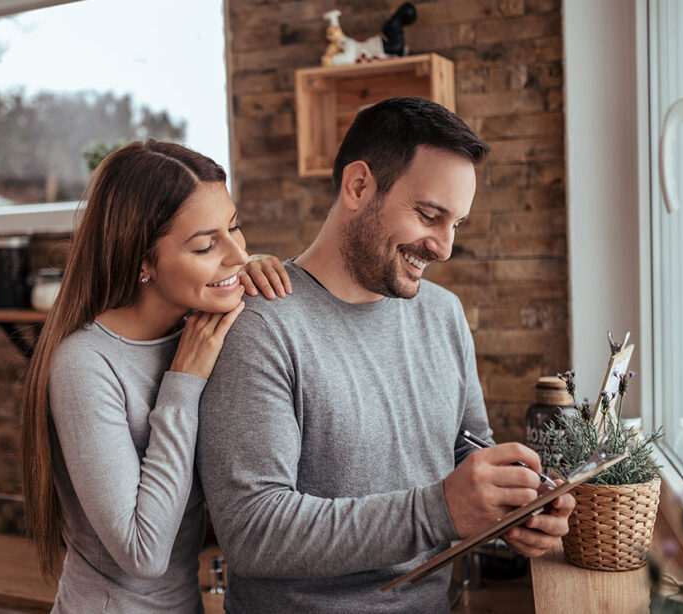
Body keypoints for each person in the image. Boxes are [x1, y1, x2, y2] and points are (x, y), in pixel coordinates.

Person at [196, 97, 576, 613]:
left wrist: (510, 506)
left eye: (456, 224)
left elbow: (466, 449)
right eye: (428, 215)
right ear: (358, 187)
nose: (443, 246)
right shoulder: (261, 326)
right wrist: (440, 510)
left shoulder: (443, 313)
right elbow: (253, 530)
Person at [20, 139, 291, 613]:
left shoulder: (199, 328)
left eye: (235, 229)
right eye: (206, 244)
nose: (236, 253)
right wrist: (182, 384)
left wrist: (265, 273)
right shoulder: (86, 364)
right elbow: (142, 552)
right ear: (143, 261)